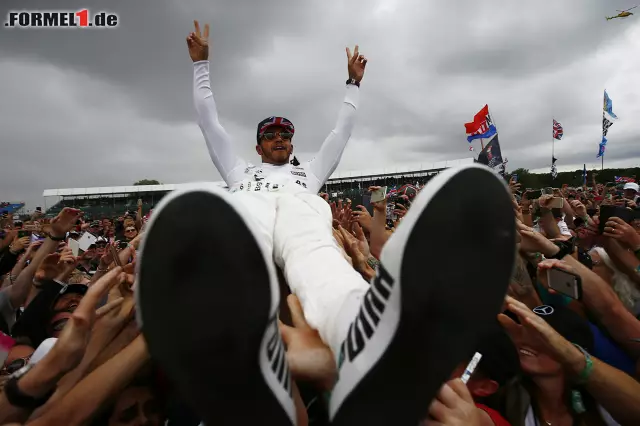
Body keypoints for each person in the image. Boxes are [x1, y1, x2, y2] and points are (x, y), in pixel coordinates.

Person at [135, 20, 517, 426]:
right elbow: (209, 122)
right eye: (271, 135)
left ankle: (359, 329)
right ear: (258, 145)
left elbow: (341, 133)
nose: (280, 139)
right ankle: (213, 316)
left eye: (285, 135)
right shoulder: (238, 170)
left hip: (302, 212)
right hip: (252, 214)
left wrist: (352, 85)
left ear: (292, 144)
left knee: (317, 258)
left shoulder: (310, 173)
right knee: (244, 224)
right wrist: (201, 66)